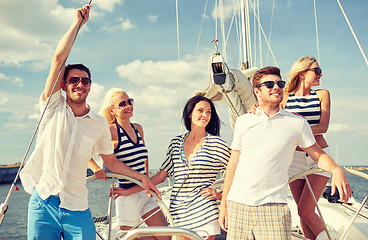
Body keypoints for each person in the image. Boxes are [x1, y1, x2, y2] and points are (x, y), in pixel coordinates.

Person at [19, 5, 159, 240]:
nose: (80, 84)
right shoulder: (52, 107)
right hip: (43, 203)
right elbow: (58, 58)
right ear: (64, 85)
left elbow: (112, 163)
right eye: (74, 80)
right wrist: (77, 24)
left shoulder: (98, 124)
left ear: (90, 85)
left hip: (77, 207)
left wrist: (142, 178)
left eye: (85, 80)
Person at [218, 66, 352, 240]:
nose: (276, 87)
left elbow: (317, 155)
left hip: (274, 207)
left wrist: (336, 169)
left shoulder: (296, 123)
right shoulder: (244, 121)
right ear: (257, 91)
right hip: (238, 204)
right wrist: (224, 204)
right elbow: (233, 163)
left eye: (279, 83)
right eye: (269, 84)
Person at [111, 95, 231, 240]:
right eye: (200, 110)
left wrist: (220, 196)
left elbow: (238, 171)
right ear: (190, 114)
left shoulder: (216, 144)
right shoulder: (176, 143)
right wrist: (129, 191)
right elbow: (160, 177)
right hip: (178, 212)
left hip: (204, 210)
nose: (205, 115)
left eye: (209, 112)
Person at [89, 88, 169, 240]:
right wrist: (96, 168)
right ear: (112, 111)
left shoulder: (138, 128)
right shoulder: (110, 131)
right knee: (128, 238)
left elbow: (145, 157)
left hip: (144, 191)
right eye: (122, 104)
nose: (128, 106)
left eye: (130, 101)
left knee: (165, 237)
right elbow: (86, 153)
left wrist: (145, 178)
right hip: (126, 194)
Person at [281, 56, 332, 239]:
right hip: (293, 160)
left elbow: (323, 126)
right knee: (303, 212)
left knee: (306, 209)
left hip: (318, 157)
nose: (320, 75)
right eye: (316, 71)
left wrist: (297, 129)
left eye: (320, 71)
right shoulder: (285, 96)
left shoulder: (322, 94)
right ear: (302, 73)